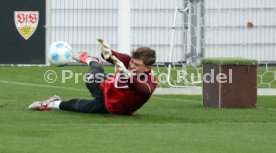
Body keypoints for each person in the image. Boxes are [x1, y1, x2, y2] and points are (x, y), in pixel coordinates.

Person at [28, 38, 157, 115]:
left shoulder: (150, 82)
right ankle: (90, 60)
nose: (132, 65)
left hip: (110, 107)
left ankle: (52, 102)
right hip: (106, 87)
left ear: (147, 68)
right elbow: (112, 55)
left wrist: (127, 75)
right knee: (92, 77)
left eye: (137, 64)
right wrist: (107, 53)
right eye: (132, 62)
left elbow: (142, 88)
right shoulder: (128, 61)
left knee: (80, 106)